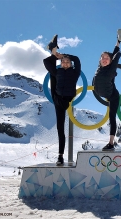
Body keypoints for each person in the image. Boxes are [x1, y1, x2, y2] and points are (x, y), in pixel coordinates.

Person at [43, 35, 81, 165]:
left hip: (66, 99)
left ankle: (53, 48)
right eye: (63, 62)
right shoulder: (57, 72)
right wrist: (55, 56)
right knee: (60, 128)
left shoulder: (75, 72)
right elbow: (46, 62)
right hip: (57, 98)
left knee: (61, 127)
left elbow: (77, 59)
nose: (65, 63)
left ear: (70, 64)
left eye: (67, 62)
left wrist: (62, 54)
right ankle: (60, 156)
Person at [93, 29, 121, 151]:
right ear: (100, 60)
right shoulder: (99, 68)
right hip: (103, 92)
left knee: (112, 117)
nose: (105, 59)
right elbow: (112, 54)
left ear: (110, 61)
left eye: (107, 58)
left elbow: (116, 54)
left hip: (113, 95)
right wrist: (118, 41)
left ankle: (111, 143)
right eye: (102, 57)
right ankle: (118, 40)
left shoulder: (111, 67)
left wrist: (118, 47)